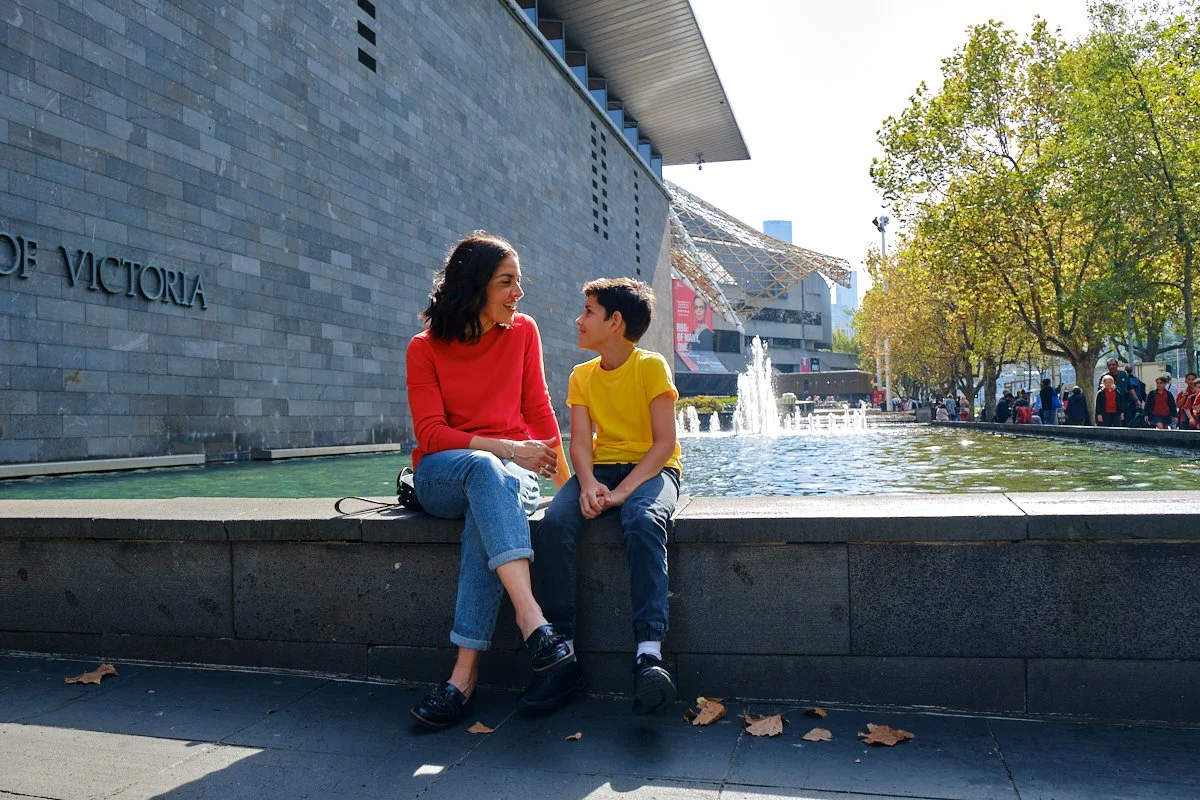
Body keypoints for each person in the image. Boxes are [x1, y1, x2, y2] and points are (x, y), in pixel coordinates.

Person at [405, 232, 573, 729]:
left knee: (489, 501)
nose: (518, 293)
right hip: (443, 474)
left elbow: (539, 410)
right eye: (507, 282)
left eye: (518, 282)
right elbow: (431, 435)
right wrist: (506, 448)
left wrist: (567, 489)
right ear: (473, 286)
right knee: (485, 471)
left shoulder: (523, 332)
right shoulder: (424, 348)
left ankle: (462, 680)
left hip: (507, 478)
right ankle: (532, 621)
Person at [523, 278, 682, 715]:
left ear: (615, 322)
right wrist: (589, 483)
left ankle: (649, 654)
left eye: (588, 312)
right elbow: (579, 442)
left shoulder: (651, 367)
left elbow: (664, 444)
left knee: (644, 521)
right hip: (601, 469)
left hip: (652, 469)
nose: (579, 320)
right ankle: (563, 654)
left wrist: (623, 493)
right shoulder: (581, 375)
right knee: (554, 525)